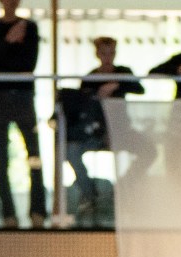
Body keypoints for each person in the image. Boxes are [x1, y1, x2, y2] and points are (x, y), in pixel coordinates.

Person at [0, 0, 47, 228]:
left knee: (34, 155)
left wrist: (4, 54)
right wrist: (9, 41)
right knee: (0, 159)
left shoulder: (29, 27)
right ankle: (8, 213)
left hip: (22, 97)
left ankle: (38, 211)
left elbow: (28, 64)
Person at [65, 36, 155, 216]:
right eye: (104, 53)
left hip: (122, 130)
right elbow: (82, 104)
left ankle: (122, 186)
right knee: (71, 151)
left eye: (111, 53)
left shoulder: (123, 73)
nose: (108, 58)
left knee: (150, 151)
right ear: (97, 54)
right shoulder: (90, 78)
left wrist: (116, 84)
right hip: (95, 132)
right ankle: (89, 192)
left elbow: (139, 89)